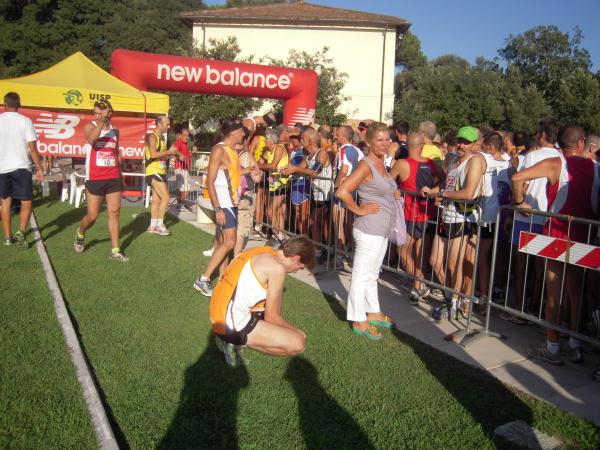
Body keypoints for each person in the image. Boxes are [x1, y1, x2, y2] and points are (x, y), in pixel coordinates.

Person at [512, 125, 599, 365]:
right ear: (581, 144)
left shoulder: (556, 163)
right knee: (576, 293)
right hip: (584, 235)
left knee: (554, 294)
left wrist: (520, 203)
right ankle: (574, 344)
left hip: (557, 235)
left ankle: (552, 347)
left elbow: (517, 177)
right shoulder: (596, 168)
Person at [336, 122, 399, 340]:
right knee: (361, 275)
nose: (385, 143)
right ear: (369, 142)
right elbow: (342, 191)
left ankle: (374, 312)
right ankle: (357, 318)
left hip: (381, 228)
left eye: (387, 139)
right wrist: (359, 210)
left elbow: (381, 189)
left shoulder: (382, 163)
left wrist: (394, 194)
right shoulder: (365, 165)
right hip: (369, 228)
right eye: (380, 140)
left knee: (373, 274)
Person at [210, 236, 315, 366]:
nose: (296, 271)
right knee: (298, 343)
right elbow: (271, 317)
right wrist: (297, 331)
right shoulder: (277, 268)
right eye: (300, 267)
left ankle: (230, 339)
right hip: (230, 324)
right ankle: (233, 342)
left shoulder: (260, 250)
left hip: (216, 312)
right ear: (296, 258)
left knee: (262, 306)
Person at [429, 126, 485, 318]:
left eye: (466, 142)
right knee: (435, 261)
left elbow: (469, 193)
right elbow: (448, 186)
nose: (461, 145)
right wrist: (435, 192)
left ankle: (453, 303)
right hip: (447, 215)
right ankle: (451, 297)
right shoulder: (453, 160)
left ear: (476, 144)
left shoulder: (475, 160)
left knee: (454, 265)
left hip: (462, 218)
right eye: (459, 140)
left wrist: (444, 194)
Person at [194, 118, 245, 297]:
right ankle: (204, 279)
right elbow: (210, 180)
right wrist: (217, 208)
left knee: (223, 243)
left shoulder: (231, 151)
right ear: (232, 132)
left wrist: (253, 170)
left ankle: (223, 279)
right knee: (230, 242)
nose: (244, 134)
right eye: (241, 130)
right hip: (224, 203)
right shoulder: (219, 149)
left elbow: (233, 174)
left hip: (231, 202)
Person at [391, 131, 445, 301]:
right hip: (426, 215)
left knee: (403, 251)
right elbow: (445, 180)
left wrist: (395, 190)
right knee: (419, 254)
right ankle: (418, 285)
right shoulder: (431, 164)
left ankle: (418, 285)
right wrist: (435, 190)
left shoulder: (402, 163)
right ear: (422, 146)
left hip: (411, 214)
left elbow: (387, 181)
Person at [72, 100, 128, 260]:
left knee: (115, 212)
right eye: (95, 112)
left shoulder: (115, 131)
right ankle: (80, 232)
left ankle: (115, 250)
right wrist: (100, 122)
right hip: (95, 177)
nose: (97, 115)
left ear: (109, 112)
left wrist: (120, 171)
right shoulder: (90, 126)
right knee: (93, 216)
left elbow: (116, 151)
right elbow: (91, 140)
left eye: (101, 112)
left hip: (113, 176)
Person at [281, 128, 333, 263]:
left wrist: (296, 169)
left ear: (309, 141)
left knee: (317, 223)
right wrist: (287, 171)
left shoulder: (322, 153)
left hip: (325, 195)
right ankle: (320, 250)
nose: (300, 141)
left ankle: (323, 251)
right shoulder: (308, 156)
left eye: (302, 138)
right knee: (316, 224)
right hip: (316, 195)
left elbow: (315, 172)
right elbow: (300, 170)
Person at [0, 92, 43, 248]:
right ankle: (21, 230)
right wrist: (39, 168)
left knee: (5, 201)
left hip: (2, 168)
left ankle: (7, 236)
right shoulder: (25, 121)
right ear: (19, 105)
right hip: (21, 166)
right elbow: (32, 148)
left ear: (5, 104)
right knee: (26, 201)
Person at [333, 125, 364, 266]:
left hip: (345, 190)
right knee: (350, 223)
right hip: (355, 191)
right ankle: (352, 254)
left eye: (337, 134)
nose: (335, 137)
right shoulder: (359, 151)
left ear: (344, 137)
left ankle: (339, 256)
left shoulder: (343, 150)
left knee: (338, 221)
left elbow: (343, 170)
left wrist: (336, 185)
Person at [145, 115, 180, 236]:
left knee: (156, 199)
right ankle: (160, 226)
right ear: (159, 124)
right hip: (153, 170)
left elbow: (162, 155)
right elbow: (153, 154)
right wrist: (169, 152)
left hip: (160, 170)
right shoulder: (152, 136)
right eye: (167, 124)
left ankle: (152, 226)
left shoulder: (162, 138)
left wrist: (171, 154)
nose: (169, 126)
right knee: (166, 197)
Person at [258, 128, 289, 245]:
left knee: (271, 212)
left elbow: (273, 166)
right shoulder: (268, 150)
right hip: (273, 184)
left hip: (281, 184)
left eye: (266, 139)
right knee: (278, 211)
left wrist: (259, 166)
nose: (265, 141)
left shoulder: (279, 148)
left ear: (271, 140)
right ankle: (279, 235)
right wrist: (257, 164)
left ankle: (278, 236)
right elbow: (260, 162)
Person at [173, 125, 195, 211]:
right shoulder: (179, 142)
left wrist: (192, 152)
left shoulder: (185, 144)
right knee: (186, 187)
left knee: (181, 187)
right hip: (180, 168)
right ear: (180, 135)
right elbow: (174, 149)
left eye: (187, 135)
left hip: (183, 168)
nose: (186, 137)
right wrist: (179, 154)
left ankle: (180, 204)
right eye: (184, 135)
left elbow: (186, 156)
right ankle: (182, 204)